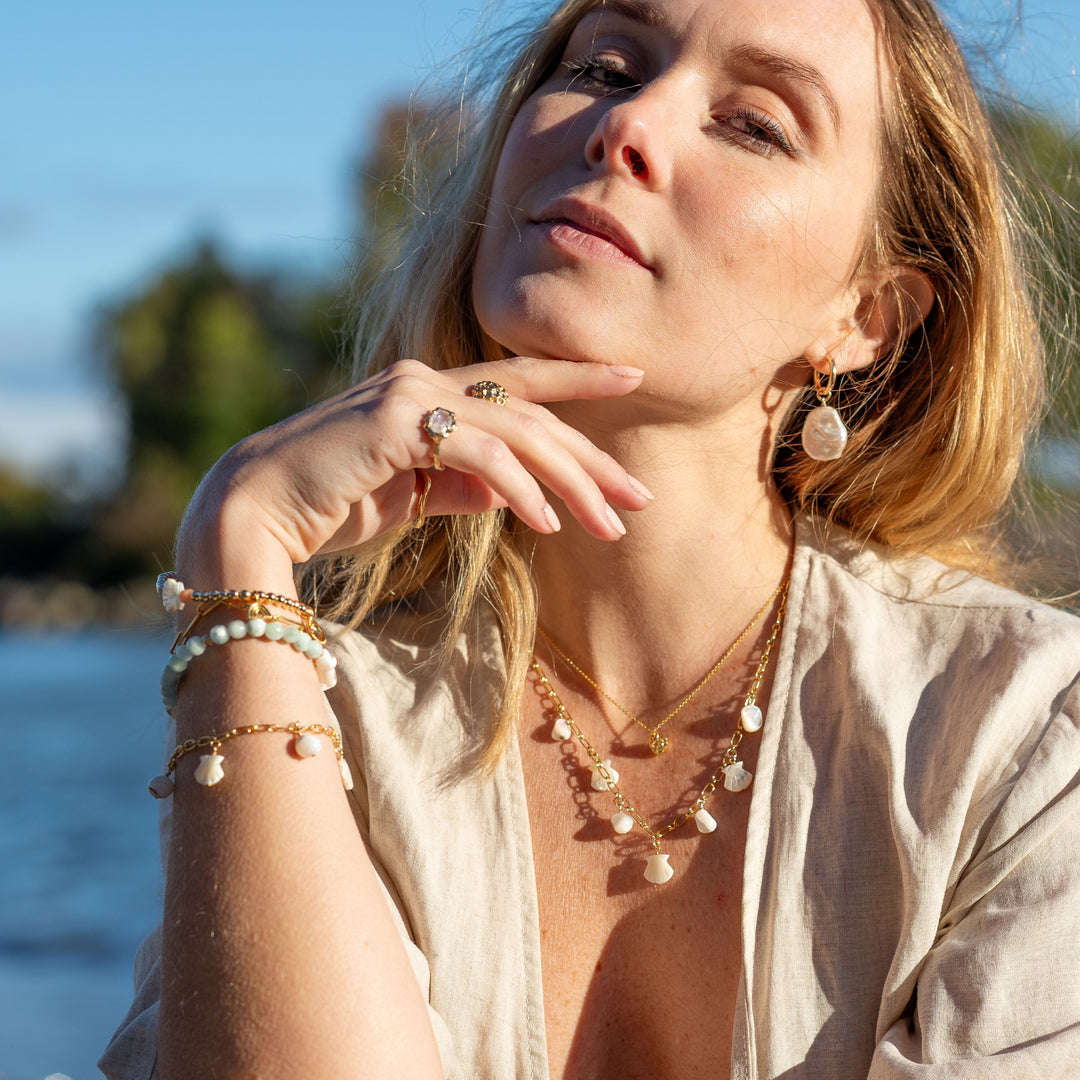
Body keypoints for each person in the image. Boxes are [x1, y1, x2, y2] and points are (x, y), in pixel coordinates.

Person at [101, 0, 1080, 1076]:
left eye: (754, 123)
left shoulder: (1019, 741)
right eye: (607, 66)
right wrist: (238, 546)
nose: (627, 128)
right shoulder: (316, 714)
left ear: (867, 316)